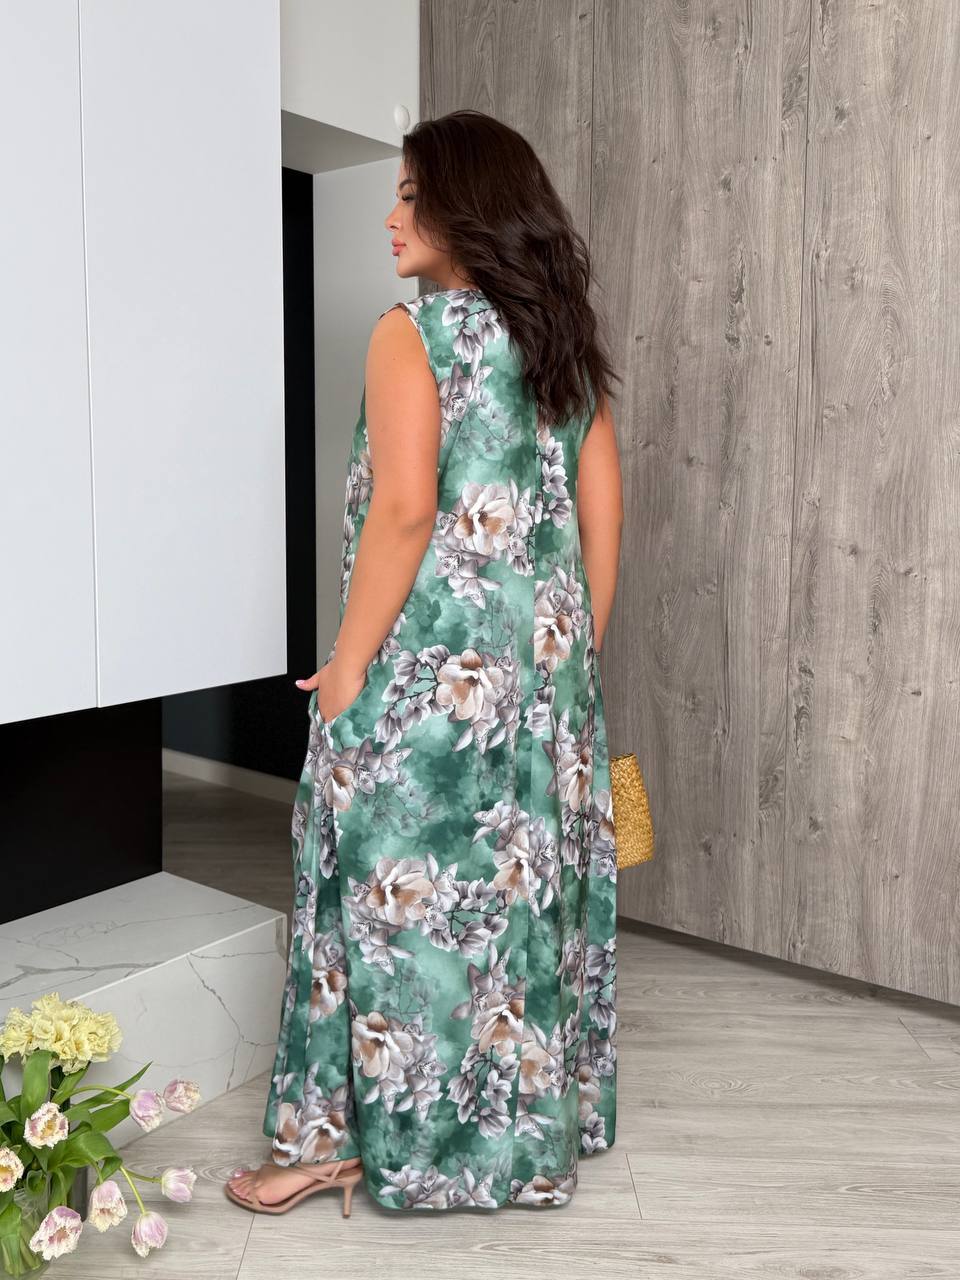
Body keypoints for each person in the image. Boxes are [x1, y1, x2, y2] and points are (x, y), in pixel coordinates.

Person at [226, 108, 624, 1216]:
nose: (392, 215)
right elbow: (602, 513)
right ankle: (524, 1139)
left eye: (412, 194)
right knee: (515, 905)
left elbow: (403, 511)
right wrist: (567, 664)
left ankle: (328, 1146)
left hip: (429, 686)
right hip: (543, 695)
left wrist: (347, 665)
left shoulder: (412, 334)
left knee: (362, 893)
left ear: (469, 207)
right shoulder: (560, 346)